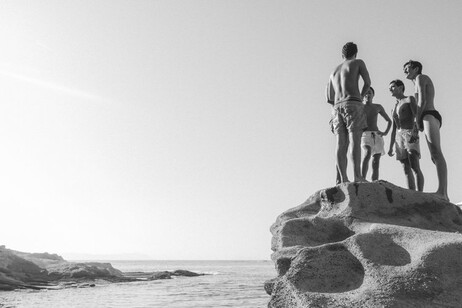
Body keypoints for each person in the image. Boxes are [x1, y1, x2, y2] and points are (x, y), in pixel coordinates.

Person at [404, 60, 448, 200]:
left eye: (408, 68)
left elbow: (422, 101)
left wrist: (417, 122)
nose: (405, 71)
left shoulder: (420, 78)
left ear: (416, 69)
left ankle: (443, 192)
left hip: (429, 114)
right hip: (426, 116)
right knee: (434, 154)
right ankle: (442, 191)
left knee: (436, 152)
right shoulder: (416, 81)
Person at [326, 42, 370, 183]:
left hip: (336, 106)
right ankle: (357, 176)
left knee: (340, 144)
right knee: (354, 141)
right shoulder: (358, 63)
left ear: (342, 55)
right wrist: (361, 96)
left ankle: (342, 178)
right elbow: (368, 83)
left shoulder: (333, 71)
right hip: (353, 102)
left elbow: (328, 97)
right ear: (355, 53)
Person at [387, 79, 424, 191]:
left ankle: (420, 193)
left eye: (392, 87)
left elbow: (416, 116)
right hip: (399, 137)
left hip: (410, 131)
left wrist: (415, 131)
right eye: (389, 88)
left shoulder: (409, 99)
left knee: (414, 164)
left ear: (400, 87)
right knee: (405, 167)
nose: (390, 89)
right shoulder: (394, 107)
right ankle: (411, 193)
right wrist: (390, 146)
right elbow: (394, 128)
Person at [361, 87, 392, 181]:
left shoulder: (378, 106)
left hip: (377, 135)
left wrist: (385, 132)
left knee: (376, 161)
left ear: (373, 95)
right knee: (367, 153)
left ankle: (374, 182)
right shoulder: (360, 106)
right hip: (365, 134)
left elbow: (389, 121)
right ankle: (362, 178)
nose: (367, 95)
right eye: (365, 93)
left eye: (369, 93)